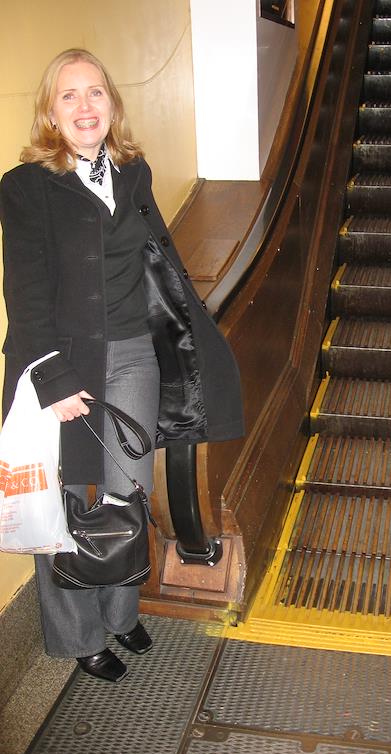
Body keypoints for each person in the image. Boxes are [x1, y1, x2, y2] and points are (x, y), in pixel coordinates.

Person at [0, 49, 243, 683]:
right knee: (67, 503)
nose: (85, 107)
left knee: (125, 492)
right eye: (69, 95)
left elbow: (156, 258)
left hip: (134, 353)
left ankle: (120, 609)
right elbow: (25, 292)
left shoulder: (133, 171)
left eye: (96, 93)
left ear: (112, 103)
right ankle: (80, 637)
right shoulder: (25, 186)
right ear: (50, 112)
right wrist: (52, 378)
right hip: (64, 363)